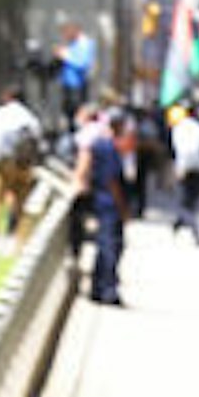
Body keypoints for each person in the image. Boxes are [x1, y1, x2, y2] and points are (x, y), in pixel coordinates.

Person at [0, 85, 45, 243]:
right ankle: (21, 241)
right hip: (24, 164)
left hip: (1, 163)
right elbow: (38, 142)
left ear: (7, 97)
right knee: (22, 205)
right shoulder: (30, 117)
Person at [82, 103, 130, 304]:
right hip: (109, 202)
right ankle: (108, 289)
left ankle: (97, 287)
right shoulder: (109, 147)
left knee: (104, 245)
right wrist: (123, 207)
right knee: (111, 246)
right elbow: (113, 181)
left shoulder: (98, 144)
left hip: (99, 199)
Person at [167, 99, 199, 242]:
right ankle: (178, 224)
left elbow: (187, 151)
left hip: (188, 170)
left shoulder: (180, 129)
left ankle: (195, 232)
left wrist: (181, 168)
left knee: (184, 203)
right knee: (190, 202)